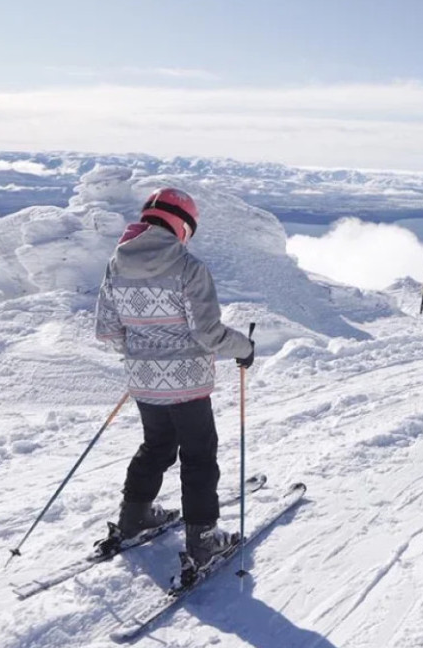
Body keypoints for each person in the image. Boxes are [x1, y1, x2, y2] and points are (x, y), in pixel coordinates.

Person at [94, 187, 255, 569]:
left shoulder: (116, 264)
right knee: (198, 456)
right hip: (187, 383)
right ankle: (202, 541)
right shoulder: (188, 267)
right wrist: (245, 348)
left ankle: (133, 518)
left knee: (157, 446)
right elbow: (208, 334)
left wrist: (143, 354)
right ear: (182, 225)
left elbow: (107, 330)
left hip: (143, 381)